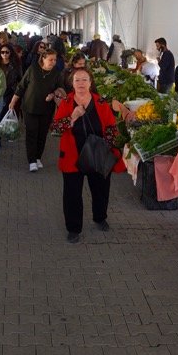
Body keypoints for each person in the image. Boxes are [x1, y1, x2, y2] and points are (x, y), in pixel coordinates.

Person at [50, 68, 126, 244]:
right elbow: (56, 128)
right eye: (77, 80)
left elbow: (111, 128)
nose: (81, 83)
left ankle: (100, 218)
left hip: (97, 153)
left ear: (91, 83)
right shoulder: (66, 102)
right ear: (72, 83)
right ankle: (73, 228)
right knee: (72, 193)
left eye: (84, 80)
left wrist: (109, 146)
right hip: (73, 155)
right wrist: (72, 117)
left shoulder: (101, 102)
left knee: (101, 189)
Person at [9, 51, 65, 172]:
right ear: (43, 59)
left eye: (55, 60)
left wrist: (53, 94)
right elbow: (21, 86)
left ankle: (38, 157)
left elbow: (60, 89)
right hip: (30, 107)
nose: (53, 62)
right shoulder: (33, 69)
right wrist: (13, 102)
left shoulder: (56, 72)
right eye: (50, 60)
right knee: (32, 133)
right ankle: (32, 160)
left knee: (42, 134)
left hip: (47, 109)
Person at [0, 44, 22, 121]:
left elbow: (20, 79)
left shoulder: (16, 64)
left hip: (10, 92)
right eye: (2, 52)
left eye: (7, 52)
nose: (4, 54)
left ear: (10, 52)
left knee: (6, 113)